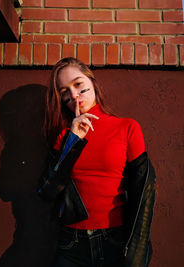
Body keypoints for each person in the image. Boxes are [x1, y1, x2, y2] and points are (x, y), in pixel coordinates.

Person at [38, 57, 156, 267]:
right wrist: (73, 140)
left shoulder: (127, 128)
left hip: (115, 241)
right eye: (64, 92)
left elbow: (144, 194)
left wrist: (137, 252)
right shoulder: (64, 137)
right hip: (71, 244)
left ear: (92, 82)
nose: (73, 95)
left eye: (78, 84)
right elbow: (48, 191)